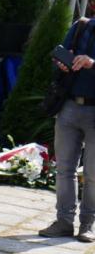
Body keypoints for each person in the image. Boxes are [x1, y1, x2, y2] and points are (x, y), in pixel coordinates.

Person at [39, 16, 95, 242]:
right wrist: (62, 62)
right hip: (69, 106)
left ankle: (88, 225)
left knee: (93, 174)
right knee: (64, 168)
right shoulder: (82, 26)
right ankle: (64, 221)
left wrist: (92, 63)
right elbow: (63, 52)